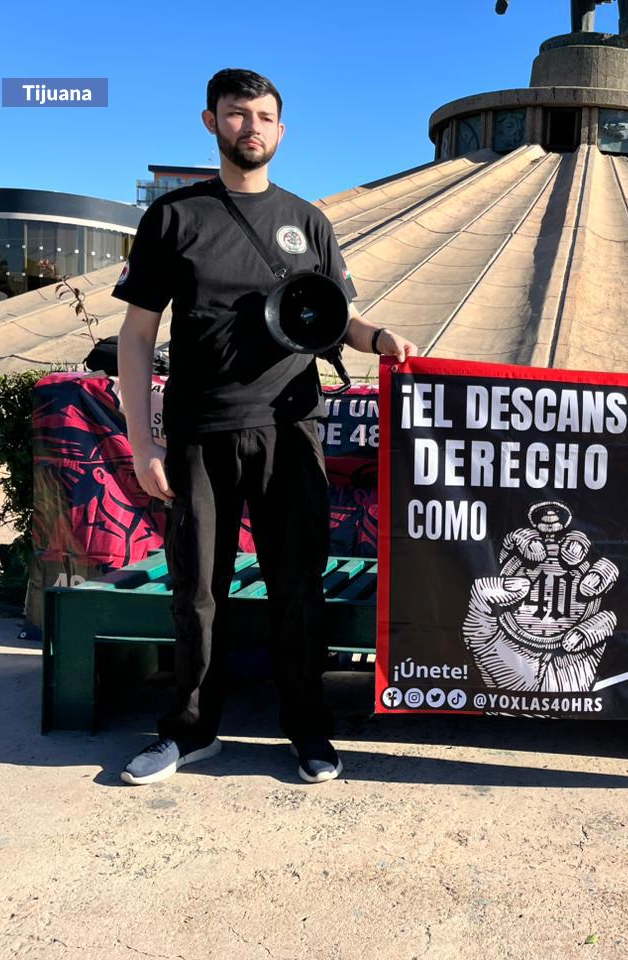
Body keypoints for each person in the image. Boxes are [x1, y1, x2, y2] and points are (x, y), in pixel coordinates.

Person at [114, 68, 416, 786]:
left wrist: (380, 340)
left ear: (281, 130)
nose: (249, 127)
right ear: (210, 122)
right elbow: (136, 334)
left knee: (297, 586)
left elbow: (339, 319)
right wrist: (143, 441)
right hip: (199, 429)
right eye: (235, 113)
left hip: (290, 427)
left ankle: (308, 728)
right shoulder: (174, 217)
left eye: (262, 116)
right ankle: (190, 731)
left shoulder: (308, 222)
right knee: (198, 590)